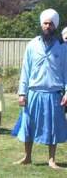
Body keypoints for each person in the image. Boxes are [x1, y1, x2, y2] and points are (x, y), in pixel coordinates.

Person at [15, 9, 67, 169]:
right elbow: (25, 70)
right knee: (28, 125)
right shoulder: (32, 45)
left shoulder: (63, 48)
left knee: (53, 128)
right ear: (41, 24)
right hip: (33, 93)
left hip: (54, 94)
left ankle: (51, 159)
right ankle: (27, 156)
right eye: (45, 23)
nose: (48, 26)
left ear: (55, 26)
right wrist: (22, 93)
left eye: (51, 23)